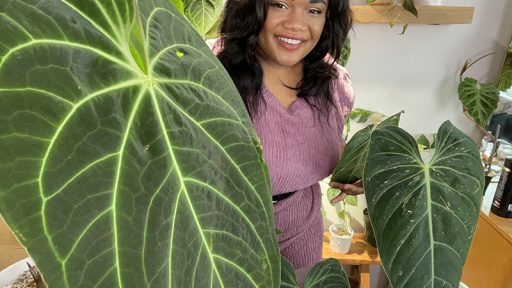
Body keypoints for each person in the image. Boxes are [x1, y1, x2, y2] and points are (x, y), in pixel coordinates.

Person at [213, 0, 364, 274]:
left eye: (314, 10)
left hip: (301, 229)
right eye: (279, 4)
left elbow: (312, 147)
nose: (296, 25)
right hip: (223, 232)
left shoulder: (331, 82)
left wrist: (356, 169)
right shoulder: (212, 72)